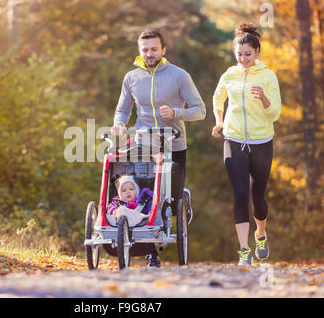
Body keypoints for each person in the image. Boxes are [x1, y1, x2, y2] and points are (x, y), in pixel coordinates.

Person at [111, 29, 206, 267]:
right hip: (144, 144)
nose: (149, 53)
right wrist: (119, 125)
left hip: (174, 143)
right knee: (145, 198)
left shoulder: (179, 76)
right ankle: (151, 253)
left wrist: (176, 113)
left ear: (163, 50)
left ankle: (182, 196)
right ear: (139, 51)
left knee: (171, 205)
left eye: (154, 49)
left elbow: (200, 110)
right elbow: (123, 109)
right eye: (145, 50)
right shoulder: (131, 77)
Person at [212, 23, 281, 266]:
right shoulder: (229, 74)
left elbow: (275, 114)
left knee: (258, 196)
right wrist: (219, 121)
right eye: (239, 54)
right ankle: (244, 250)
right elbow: (218, 97)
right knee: (240, 193)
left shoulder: (268, 76)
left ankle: (260, 234)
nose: (243, 59)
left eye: (248, 54)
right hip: (234, 139)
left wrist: (263, 98)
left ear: (257, 53)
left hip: (262, 141)